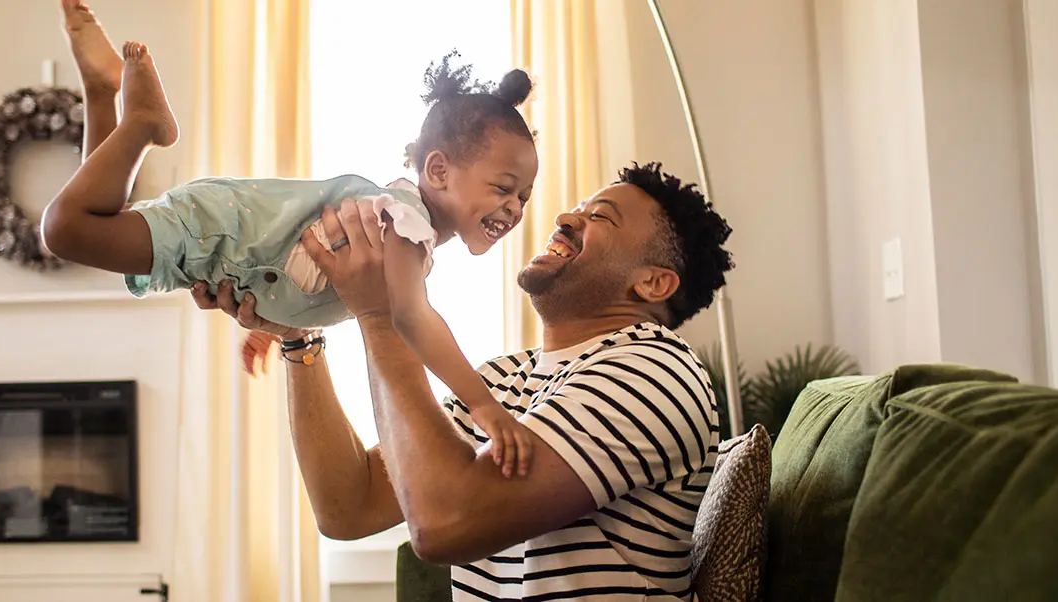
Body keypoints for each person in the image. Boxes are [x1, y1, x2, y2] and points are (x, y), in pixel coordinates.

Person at [45, 0, 541, 475]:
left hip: (221, 240)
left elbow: (303, 258)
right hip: (219, 232)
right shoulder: (406, 224)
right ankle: (143, 123)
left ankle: (101, 91)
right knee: (66, 229)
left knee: (100, 221)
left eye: (524, 196)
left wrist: (277, 323)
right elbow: (412, 318)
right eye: (503, 188)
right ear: (438, 170)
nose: (515, 208)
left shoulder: (399, 219)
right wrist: (484, 407)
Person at [198, 162, 735, 600]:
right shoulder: (504, 379)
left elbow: (442, 524)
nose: (566, 217)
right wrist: (301, 339)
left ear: (654, 283)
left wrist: (381, 312)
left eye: (601, 217)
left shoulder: (655, 370)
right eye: (579, 206)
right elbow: (348, 508)